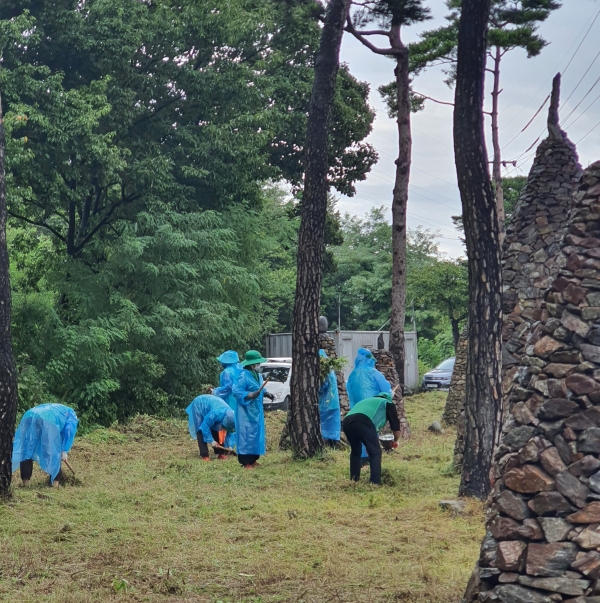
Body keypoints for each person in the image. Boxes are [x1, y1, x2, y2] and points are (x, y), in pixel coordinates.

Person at [12, 403, 79, 488]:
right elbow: (69, 431)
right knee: (54, 451)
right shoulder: (72, 415)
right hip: (48, 419)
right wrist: (64, 450)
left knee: (26, 450)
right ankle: (55, 484)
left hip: (29, 415)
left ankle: (25, 483)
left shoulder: (58, 409)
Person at [342, 392, 400, 486]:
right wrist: (396, 441)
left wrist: (370, 445)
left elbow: (369, 431)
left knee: (356, 451)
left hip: (347, 421)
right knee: (376, 452)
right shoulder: (387, 403)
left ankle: (354, 480)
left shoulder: (368, 401)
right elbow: (396, 429)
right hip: (363, 421)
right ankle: (375, 483)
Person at [346, 348, 392, 462]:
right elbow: (386, 389)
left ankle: (360, 458)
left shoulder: (352, 375)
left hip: (356, 410)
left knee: (358, 434)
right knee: (370, 433)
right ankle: (370, 456)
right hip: (372, 410)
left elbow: (349, 392)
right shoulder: (374, 372)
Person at [233, 350, 275, 469]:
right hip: (245, 412)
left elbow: (260, 389)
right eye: (257, 363)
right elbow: (236, 391)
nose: (259, 366)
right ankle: (245, 461)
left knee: (255, 434)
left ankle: (253, 459)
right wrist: (249, 395)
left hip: (256, 411)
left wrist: (267, 394)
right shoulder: (243, 375)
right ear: (252, 364)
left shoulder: (258, 376)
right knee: (246, 435)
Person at [186, 394, 236, 460]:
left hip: (213, 406)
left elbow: (230, 431)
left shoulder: (232, 416)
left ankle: (220, 453)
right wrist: (211, 441)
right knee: (200, 429)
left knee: (216, 428)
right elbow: (205, 426)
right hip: (199, 404)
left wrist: (230, 445)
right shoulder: (215, 414)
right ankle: (205, 455)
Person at [318, 350, 341, 445]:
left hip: (325, 403)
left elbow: (323, 386)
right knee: (332, 425)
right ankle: (333, 443)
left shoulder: (323, 371)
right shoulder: (330, 369)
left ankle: (326, 443)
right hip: (333, 402)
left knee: (324, 425)